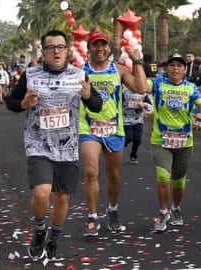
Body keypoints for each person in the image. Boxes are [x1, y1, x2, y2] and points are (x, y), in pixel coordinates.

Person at [5, 30, 102, 261]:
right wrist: (23, 103)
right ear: (43, 51)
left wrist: (89, 96)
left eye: (61, 46)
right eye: (51, 47)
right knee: (41, 192)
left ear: (67, 50)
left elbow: (97, 105)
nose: (56, 51)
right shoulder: (30, 74)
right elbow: (10, 101)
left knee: (61, 198)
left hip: (67, 146)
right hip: (38, 143)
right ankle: (40, 230)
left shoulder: (79, 75)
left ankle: (54, 238)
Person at [79, 30, 149, 237]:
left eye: (103, 45)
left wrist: (137, 62)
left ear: (109, 48)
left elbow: (141, 87)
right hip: (88, 127)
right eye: (95, 45)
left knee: (114, 175)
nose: (100, 49)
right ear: (89, 48)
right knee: (91, 172)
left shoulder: (117, 69)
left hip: (113, 128)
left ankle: (112, 208)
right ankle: (92, 217)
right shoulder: (79, 71)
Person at [147, 54, 201, 232]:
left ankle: (175, 207)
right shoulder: (158, 84)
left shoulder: (190, 88)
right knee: (163, 177)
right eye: (171, 65)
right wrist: (137, 62)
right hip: (161, 140)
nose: (175, 68)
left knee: (179, 182)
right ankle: (163, 211)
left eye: (179, 66)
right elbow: (142, 86)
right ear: (166, 69)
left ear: (184, 69)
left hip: (184, 142)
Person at [122, 88, 153, 164]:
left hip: (138, 120)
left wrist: (144, 104)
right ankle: (123, 143)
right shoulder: (124, 92)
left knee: (137, 139)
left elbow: (150, 107)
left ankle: (133, 155)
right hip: (126, 119)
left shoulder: (143, 93)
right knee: (129, 137)